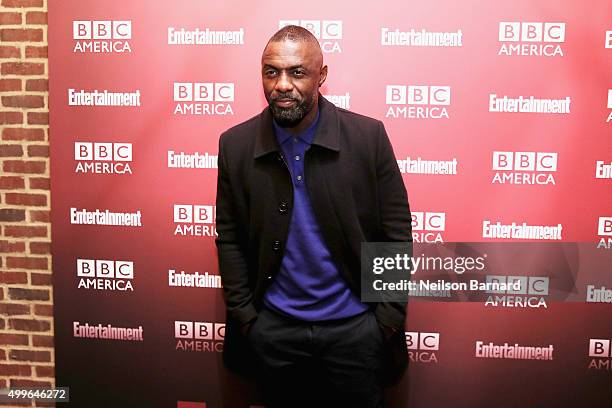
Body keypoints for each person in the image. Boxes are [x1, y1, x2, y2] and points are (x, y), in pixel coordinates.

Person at [215, 25, 412, 408]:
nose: (282, 84)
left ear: (322, 75)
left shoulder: (367, 138)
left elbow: (395, 231)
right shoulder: (235, 145)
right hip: (273, 332)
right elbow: (230, 235)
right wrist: (245, 315)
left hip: (356, 332)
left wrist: (386, 319)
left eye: (297, 72)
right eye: (271, 72)